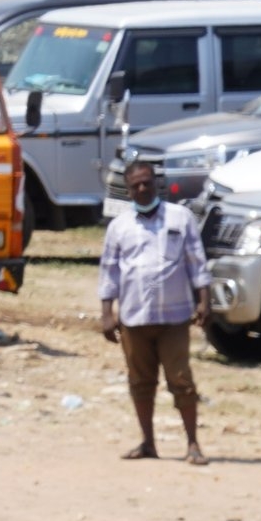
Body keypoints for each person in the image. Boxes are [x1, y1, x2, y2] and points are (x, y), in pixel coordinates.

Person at [98, 155, 209, 463]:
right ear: (129, 190)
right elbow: (110, 272)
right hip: (134, 319)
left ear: (157, 184)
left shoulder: (180, 217)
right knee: (140, 382)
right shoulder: (119, 227)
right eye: (136, 185)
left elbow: (196, 261)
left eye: (147, 182)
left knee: (181, 381)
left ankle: (193, 445)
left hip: (174, 318)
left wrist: (204, 300)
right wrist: (107, 314)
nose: (143, 189)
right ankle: (148, 443)